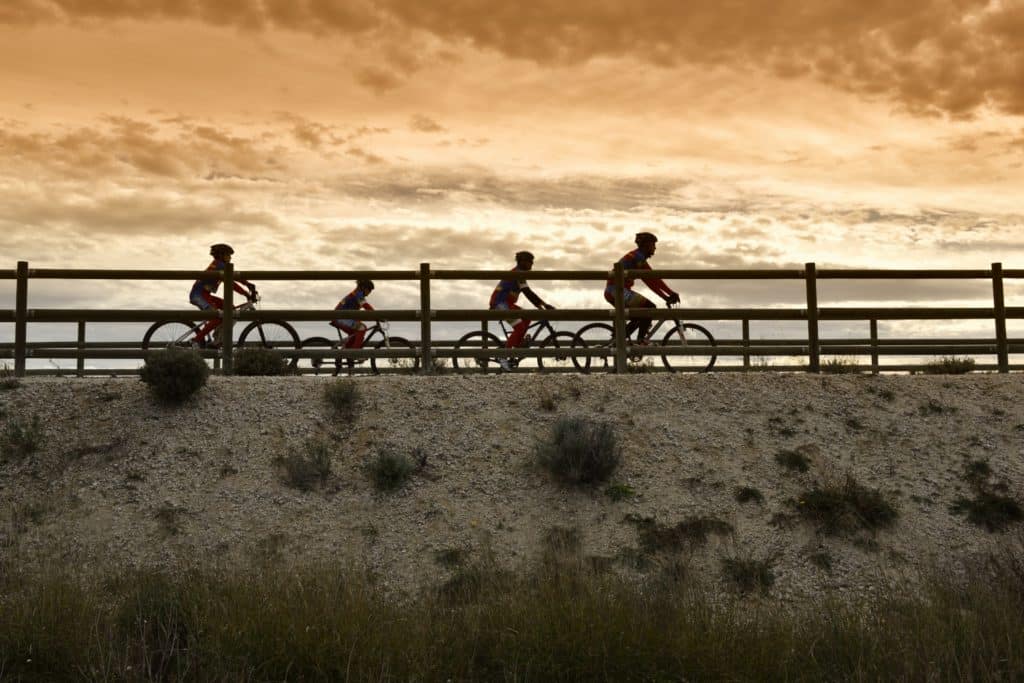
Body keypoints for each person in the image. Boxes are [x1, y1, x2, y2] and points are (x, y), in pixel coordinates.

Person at [605, 232, 680, 344]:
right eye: (653, 244)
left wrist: (666, 297)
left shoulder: (636, 257)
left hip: (614, 291)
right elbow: (653, 280)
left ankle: (618, 340)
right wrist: (670, 293)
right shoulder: (638, 257)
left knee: (639, 317)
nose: (655, 247)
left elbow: (651, 281)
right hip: (617, 291)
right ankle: (640, 340)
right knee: (649, 308)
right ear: (646, 245)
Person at [490, 251, 555, 370]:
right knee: (519, 327)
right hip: (501, 303)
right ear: (523, 262)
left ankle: (517, 344)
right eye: (530, 262)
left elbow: (528, 293)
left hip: (506, 303)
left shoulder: (519, 273)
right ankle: (503, 356)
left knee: (527, 316)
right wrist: (544, 305)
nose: (532, 265)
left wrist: (541, 305)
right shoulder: (518, 273)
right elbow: (528, 293)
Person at [189, 243, 257, 347]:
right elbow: (232, 282)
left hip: (204, 294)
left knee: (230, 309)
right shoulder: (219, 265)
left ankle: (218, 339)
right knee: (217, 316)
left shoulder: (220, 265)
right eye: (228, 255)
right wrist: (246, 291)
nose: (230, 257)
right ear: (221, 255)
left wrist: (247, 286)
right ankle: (196, 340)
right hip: (199, 295)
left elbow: (232, 278)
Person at [332, 279, 375, 349]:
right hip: (340, 318)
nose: (369, 293)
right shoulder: (358, 294)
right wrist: (377, 315)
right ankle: (356, 353)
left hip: (340, 317)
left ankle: (347, 351)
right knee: (362, 328)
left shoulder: (356, 293)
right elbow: (366, 306)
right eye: (369, 290)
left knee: (356, 333)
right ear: (363, 288)